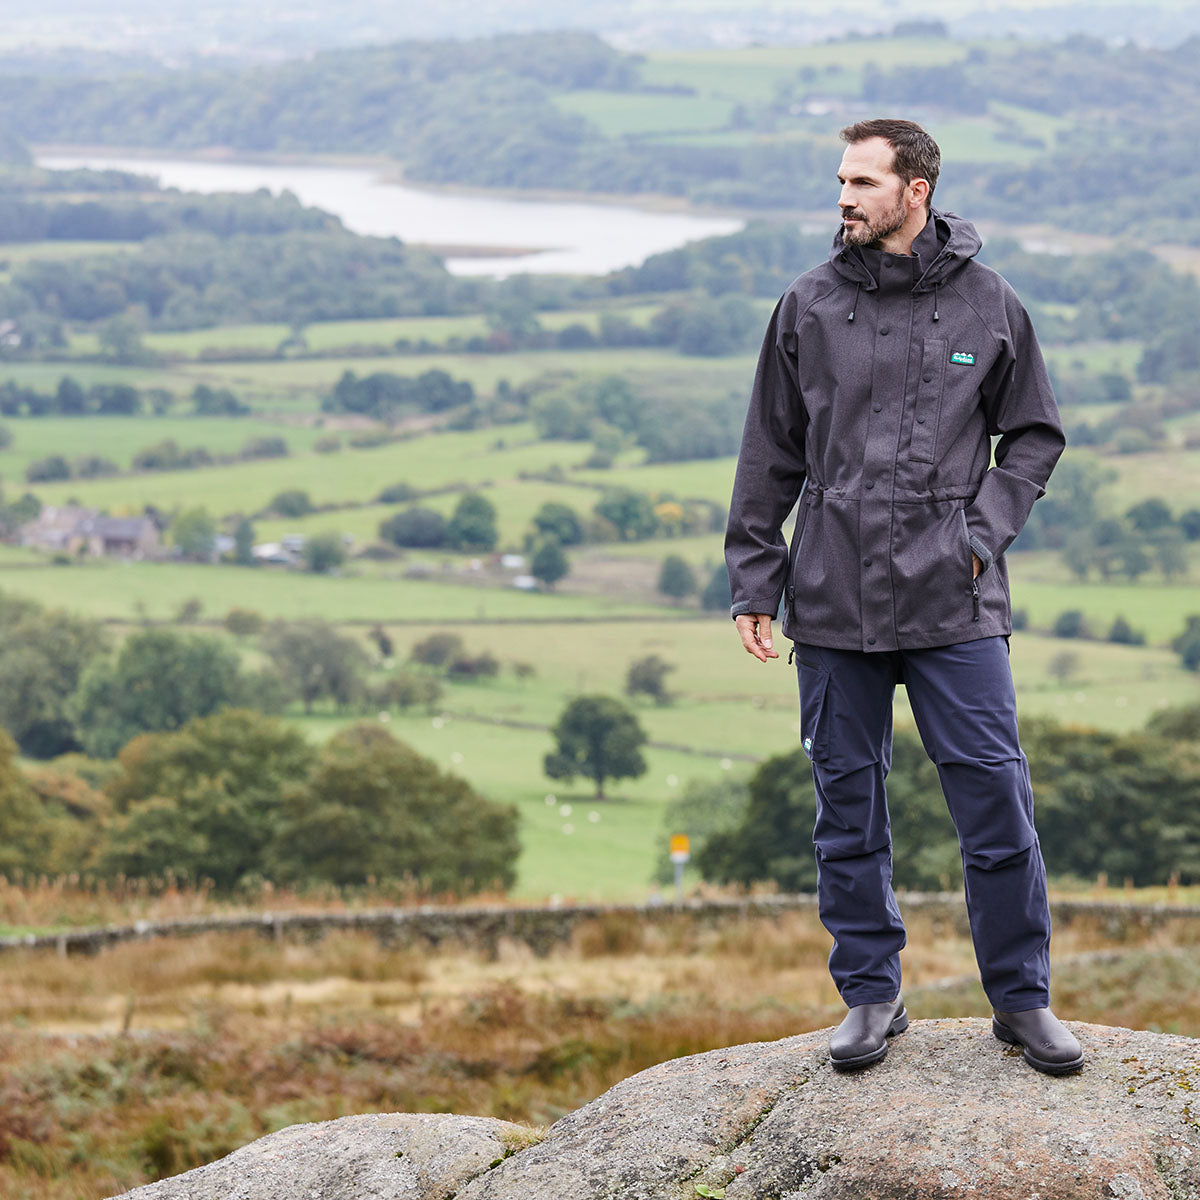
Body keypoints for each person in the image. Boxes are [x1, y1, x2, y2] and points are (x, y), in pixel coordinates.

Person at [724, 118, 1081, 1076]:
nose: (843, 196)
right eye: (840, 180)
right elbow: (770, 453)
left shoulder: (990, 306)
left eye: (862, 181)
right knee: (847, 808)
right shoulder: (807, 305)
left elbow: (1036, 435)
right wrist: (755, 581)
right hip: (832, 595)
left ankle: (1021, 999)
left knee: (996, 804)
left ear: (914, 189)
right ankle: (871, 996)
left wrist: (978, 535)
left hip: (953, 599)